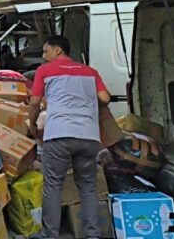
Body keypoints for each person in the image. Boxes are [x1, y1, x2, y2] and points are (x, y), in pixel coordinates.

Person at [28, 35, 111, 239]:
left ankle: (50, 233)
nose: (43, 55)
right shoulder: (90, 72)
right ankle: (92, 234)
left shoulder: (45, 71)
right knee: (88, 187)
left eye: (46, 51)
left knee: (53, 185)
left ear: (58, 50)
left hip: (59, 135)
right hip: (89, 136)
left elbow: (34, 102)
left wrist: (32, 123)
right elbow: (105, 98)